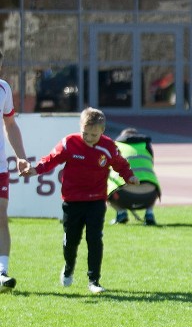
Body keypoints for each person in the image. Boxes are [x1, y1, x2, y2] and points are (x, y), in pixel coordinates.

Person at [24, 108, 139, 294]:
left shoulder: (108, 147)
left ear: (102, 131)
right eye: (85, 133)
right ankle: (69, 268)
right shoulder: (70, 143)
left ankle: (94, 281)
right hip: (72, 200)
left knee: (94, 239)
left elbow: (121, 164)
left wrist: (129, 176)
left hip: (96, 200)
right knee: (71, 240)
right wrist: (35, 169)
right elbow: (51, 160)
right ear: (80, 128)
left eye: (94, 134)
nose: (89, 138)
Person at [0, 49, 30, 293]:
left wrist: (21, 156)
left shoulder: (4, 89)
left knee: (1, 216)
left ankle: (2, 272)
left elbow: (9, 124)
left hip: (0, 166)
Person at [109, 128, 160, 225]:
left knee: (105, 180)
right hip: (151, 196)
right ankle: (149, 214)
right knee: (150, 178)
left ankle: (121, 212)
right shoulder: (146, 145)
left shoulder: (116, 146)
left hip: (123, 196)